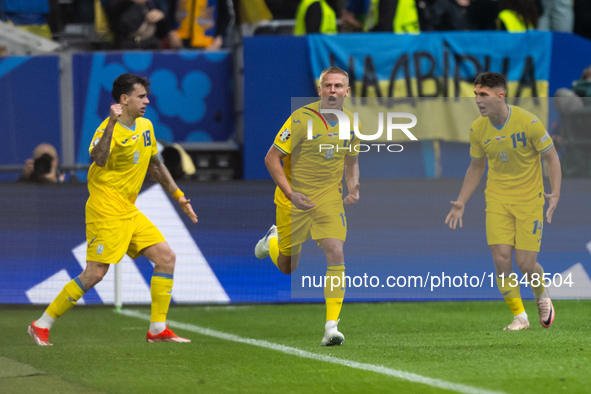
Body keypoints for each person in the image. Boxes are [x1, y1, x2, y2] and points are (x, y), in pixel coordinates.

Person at [28, 73, 198, 346]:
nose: (146, 100)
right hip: (105, 209)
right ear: (124, 99)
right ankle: (41, 324)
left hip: (129, 209)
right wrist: (110, 123)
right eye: (141, 96)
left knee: (166, 257)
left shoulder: (146, 126)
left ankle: (157, 329)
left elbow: (155, 164)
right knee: (95, 273)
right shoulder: (107, 129)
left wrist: (178, 195)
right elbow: (98, 157)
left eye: (146, 96)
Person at [445, 72, 562, 331]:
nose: (478, 100)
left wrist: (555, 193)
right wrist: (462, 201)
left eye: (483, 94)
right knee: (501, 259)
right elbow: (476, 167)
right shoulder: (478, 129)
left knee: (526, 264)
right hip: (497, 199)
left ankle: (542, 295)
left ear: (500, 95)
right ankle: (520, 316)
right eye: (476, 94)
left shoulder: (528, 122)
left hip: (529, 199)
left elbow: (552, 157)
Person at [254, 66, 360, 346]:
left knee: (335, 249)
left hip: (328, 197)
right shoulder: (301, 119)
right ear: (320, 90)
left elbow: (351, 160)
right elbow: (271, 158)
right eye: (328, 85)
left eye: (339, 86)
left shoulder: (351, 122)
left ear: (347, 92)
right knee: (289, 266)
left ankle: (331, 327)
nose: (333, 90)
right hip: (294, 198)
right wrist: (290, 194)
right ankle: (273, 240)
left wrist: (353, 184)